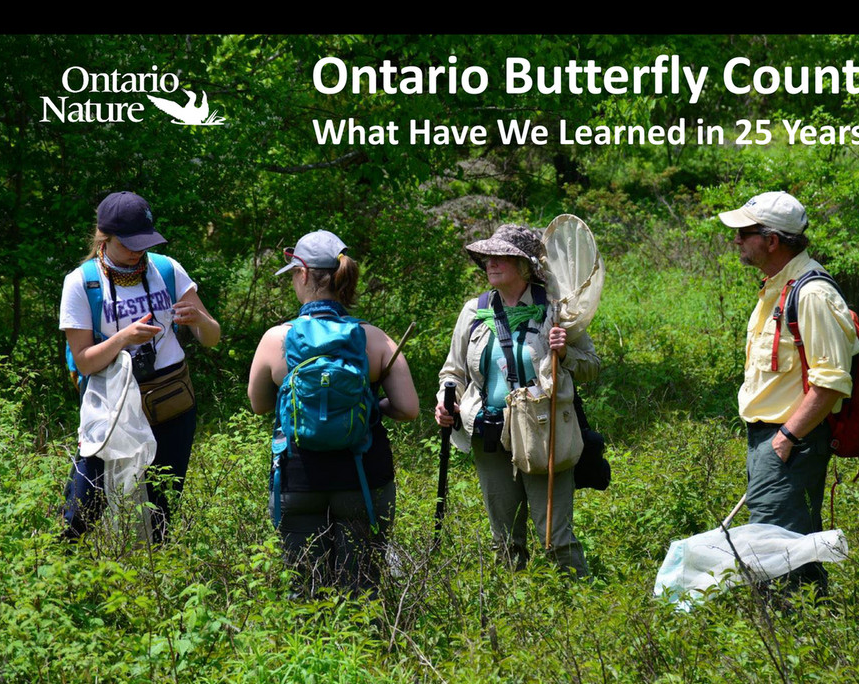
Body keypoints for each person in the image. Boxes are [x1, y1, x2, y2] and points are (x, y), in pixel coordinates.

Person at [248, 230, 418, 595]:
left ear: (304, 274)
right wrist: (371, 406)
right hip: (363, 476)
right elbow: (408, 408)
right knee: (362, 585)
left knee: (306, 587)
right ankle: (368, 648)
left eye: (293, 274)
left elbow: (259, 404)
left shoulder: (276, 339)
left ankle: (311, 648)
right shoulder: (375, 338)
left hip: (298, 477)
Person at [435, 224, 600, 577]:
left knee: (554, 536)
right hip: (488, 431)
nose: (489, 263)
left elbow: (591, 367)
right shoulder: (474, 311)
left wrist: (565, 351)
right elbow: (453, 372)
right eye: (487, 257)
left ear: (524, 266)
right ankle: (514, 610)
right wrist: (445, 401)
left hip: (542, 432)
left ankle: (579, 604)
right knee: (505, 538)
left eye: (501, 257)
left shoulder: (557, 311)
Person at [719, 191, 859, 595]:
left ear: (772, 240)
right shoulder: (777, 287)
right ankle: (815, 624)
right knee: (793, 540)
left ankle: (784, 633)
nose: (737, 240)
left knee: (771, 548)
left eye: (744, 233)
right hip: (772, 436)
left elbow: (831, 382)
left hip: (791, 439)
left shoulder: (812, 294)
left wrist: (786, 439)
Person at [60, 191, 220, 541]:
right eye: (129, 243)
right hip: (114, 409)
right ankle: (68, 576)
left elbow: (212, 337)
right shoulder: (82, 282)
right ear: (106, 236)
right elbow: (85, 362)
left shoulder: (167, 269)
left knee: (160, 512)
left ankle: (150, 581)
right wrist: (123, 339)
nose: (138, 251)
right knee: (81, 510)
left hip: (172, 405)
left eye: (144, 242)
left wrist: (201, 321)